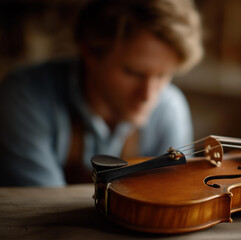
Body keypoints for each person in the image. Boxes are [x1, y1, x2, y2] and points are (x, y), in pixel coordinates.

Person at [0, 0, 203, 186]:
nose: (148, 95)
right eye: (133, 73)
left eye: (163, 75)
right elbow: (40, 212)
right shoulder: (24, 96)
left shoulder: (169, 107)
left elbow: (174, 196)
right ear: (90, 52)